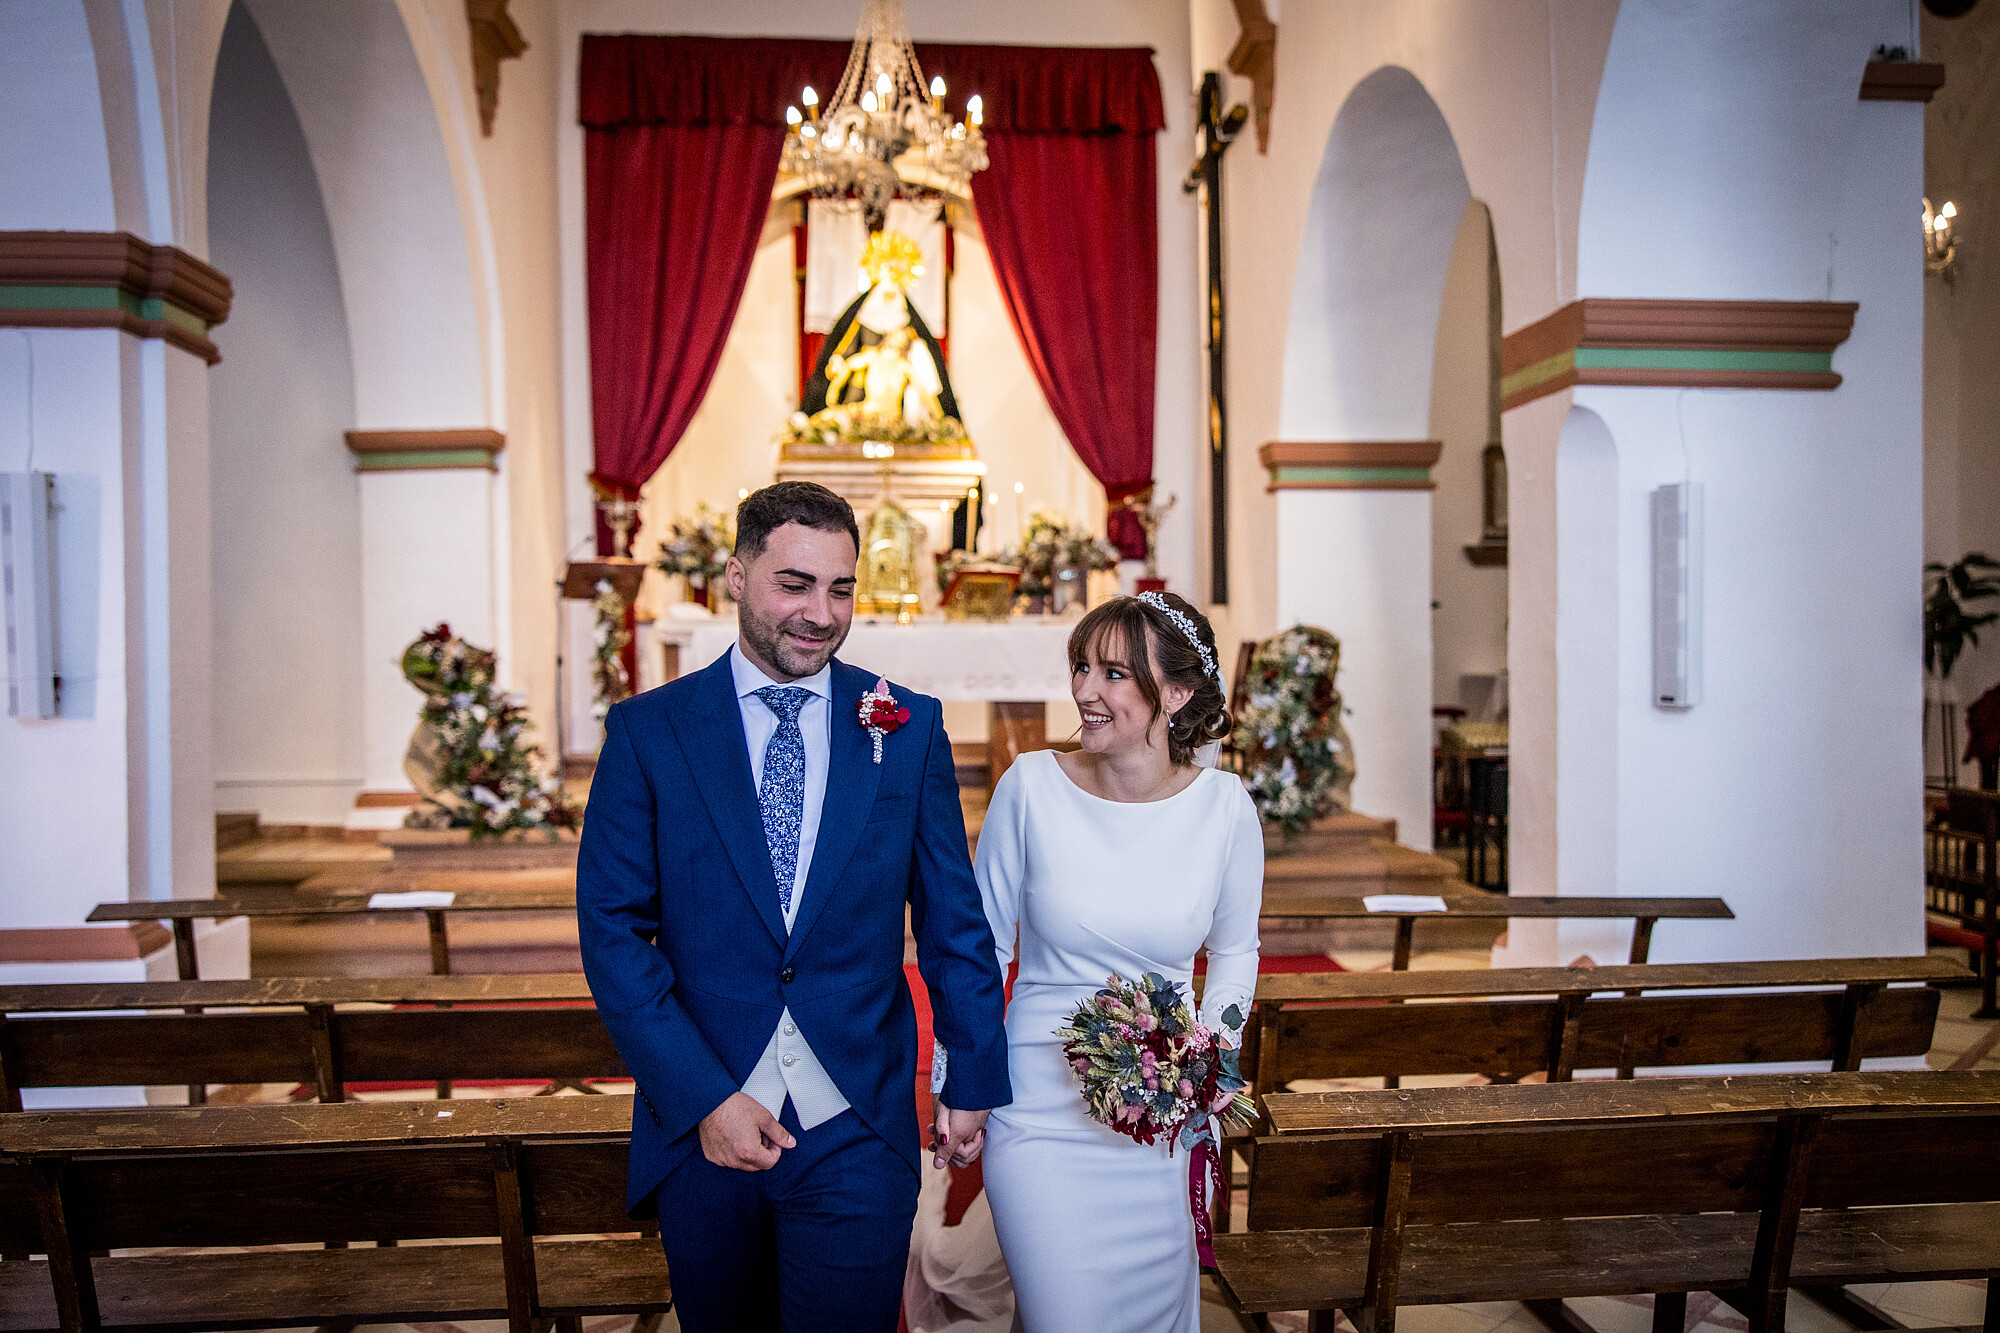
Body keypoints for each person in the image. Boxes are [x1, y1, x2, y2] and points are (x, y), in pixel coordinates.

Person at [577, 480, 1012, 1332]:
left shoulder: (906, 726)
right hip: (702, 1121)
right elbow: (614, 932)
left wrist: (971, 1074)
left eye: (841, 588)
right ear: (737, 575)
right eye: (795, 584)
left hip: (856, 1114)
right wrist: (704, 1097)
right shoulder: (649, 731)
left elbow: (954, 922)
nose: (821, 613)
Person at [944, 591, 1262, 1332]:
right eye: (1082, 666)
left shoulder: (1224, 808)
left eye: (1115, 672)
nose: (1085, 689)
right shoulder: (1029, 786)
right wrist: (960, 1077)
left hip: (1159, 1116)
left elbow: (1236, 950)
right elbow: (981, 945)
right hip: (1037, 1111)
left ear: (1175, 694)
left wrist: (1209, 1059)